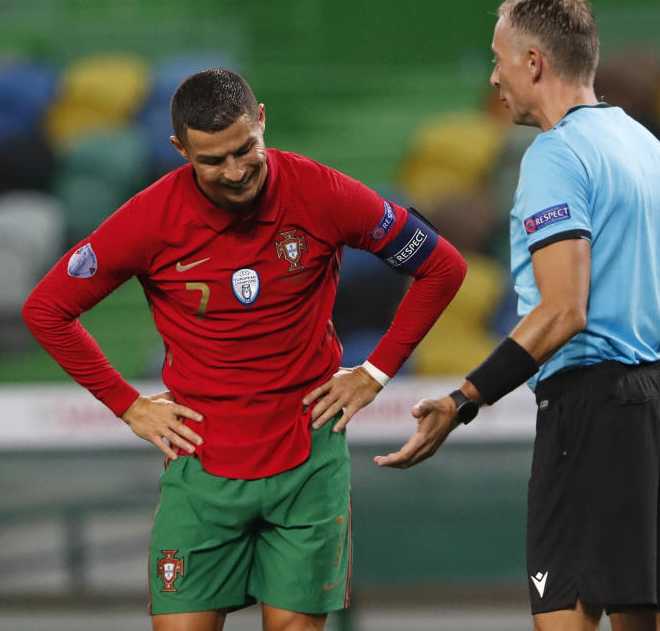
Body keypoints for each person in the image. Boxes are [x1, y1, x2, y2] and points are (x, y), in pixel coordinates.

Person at [23, 68, 466, 631]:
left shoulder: (322, 192)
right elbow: (47, 309)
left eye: (245, 150)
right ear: (180, 149)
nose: (235, 172)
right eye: (212, 161)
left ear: (261, 120)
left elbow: (441, 266)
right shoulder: (149, 219)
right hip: (201, 465)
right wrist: (127, 404)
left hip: (306, 460)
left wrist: (375, 371)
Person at [376, 0, 660, 631]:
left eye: (498, 58)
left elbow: (564, 310)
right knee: (646, 617)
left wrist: (463, 401)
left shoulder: (556, 155)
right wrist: (653, 400)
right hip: (658, 407)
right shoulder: (657, 155)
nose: (494, 76)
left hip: (591, 408)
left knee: (565, 614)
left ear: (533, 62)